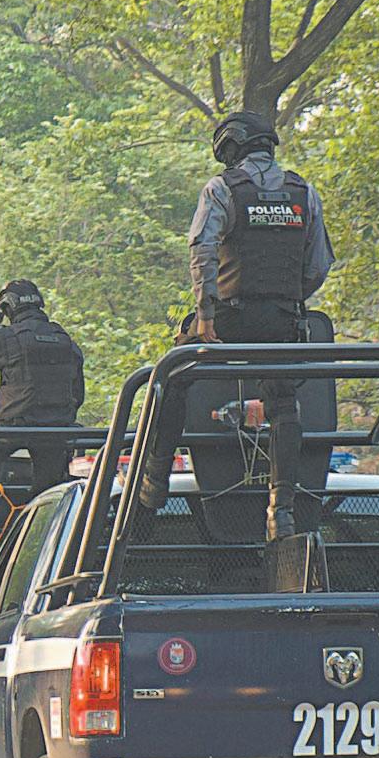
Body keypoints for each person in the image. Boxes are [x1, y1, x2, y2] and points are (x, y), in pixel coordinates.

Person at [136, 110, 335, 541]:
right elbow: (319, 265)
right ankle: (281, 511)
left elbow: (202, 248)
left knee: (171, 377)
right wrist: (289, 300)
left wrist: (206, 312)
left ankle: (153, 484)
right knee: (284, 402)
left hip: (229, 317)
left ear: (230, 147)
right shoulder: (304, 192)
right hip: (282, 319)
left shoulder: (221, 188)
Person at [0, 280, 85, 534]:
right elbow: (77, 393)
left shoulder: (9, 337)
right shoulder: (64, 340)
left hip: (14, 424)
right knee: (50, 485)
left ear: (7, 307)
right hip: (58, 428)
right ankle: (43, 525)